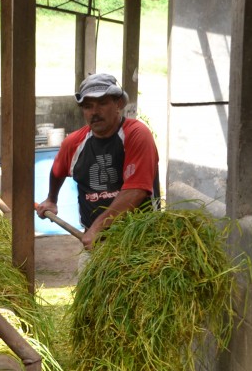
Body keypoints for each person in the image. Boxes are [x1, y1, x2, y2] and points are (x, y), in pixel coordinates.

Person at [35, 72, 161, 250]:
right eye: (88, 106)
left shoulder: (136, 135)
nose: (95, 112)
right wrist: (51, 199)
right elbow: (57, 171)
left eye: (102, 103)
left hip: (140, 240)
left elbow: (136, 190)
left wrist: (98, 228)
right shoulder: (73, 143)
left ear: (118, 104)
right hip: (95, 242)